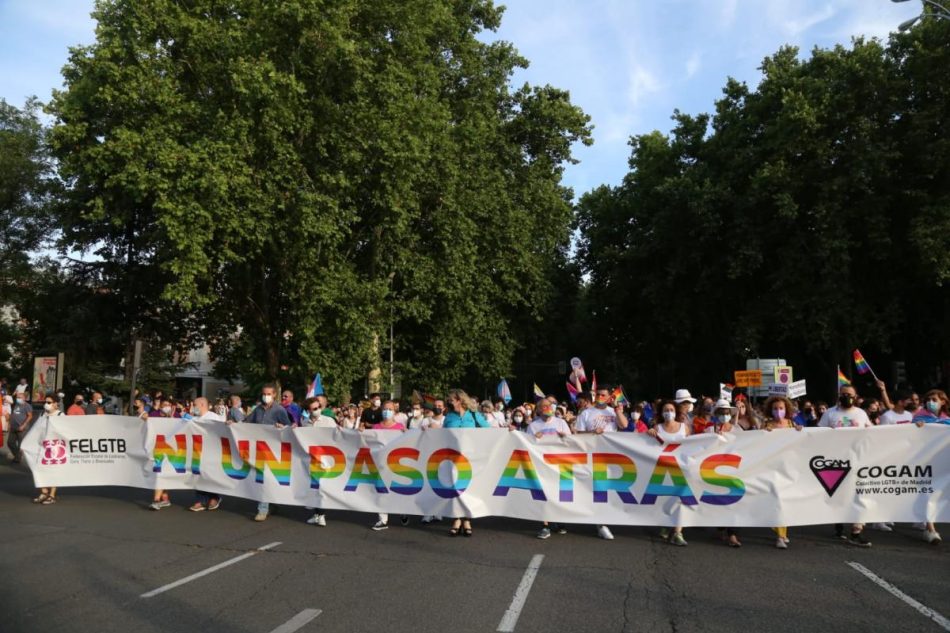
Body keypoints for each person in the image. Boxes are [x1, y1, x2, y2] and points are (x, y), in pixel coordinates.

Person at [818, 384, 873, 547]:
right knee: (840, 494)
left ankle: (857, 531)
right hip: (837, 461)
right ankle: (839, 523)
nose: (846, 396)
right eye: (843, 394)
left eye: (849, 394)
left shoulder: (861, 414)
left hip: (858, 460)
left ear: (855, 397)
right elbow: (820, 433)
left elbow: (872, 432)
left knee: (859, 493)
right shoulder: (830, 413)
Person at [574, 386, 628, 540]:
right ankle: (601, 523)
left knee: (609, 488)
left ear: (610, 397)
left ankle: (603, 519)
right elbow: (577, 434)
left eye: (603, 395)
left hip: (612, 455)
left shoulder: (613, 411)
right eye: (597, 394)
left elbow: (624, 426)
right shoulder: (586, 413)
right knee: (598, 487)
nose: (599, 396)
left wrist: (618, 411)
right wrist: (592, 433)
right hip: (593, 454)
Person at [443, 389, 489, 536]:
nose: (450, 402)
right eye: (449, 400)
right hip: (453, 458)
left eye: (452, 400)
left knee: (469, 489)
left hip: (472, 458)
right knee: (456, 488)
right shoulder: (449, 417)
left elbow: (490, 432)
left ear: (460, 400)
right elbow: (441, 436)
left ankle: (467, 520)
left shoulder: (475, 416)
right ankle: (457, 519)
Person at [647, 400, 689, 546]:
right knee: (665, 498)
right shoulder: (657, 427)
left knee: (682, 499)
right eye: (666, 410)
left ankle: (678, 532)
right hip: (662, 469)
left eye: (671, 409)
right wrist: (650, 433)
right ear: (661, 413)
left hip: (681, 469)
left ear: (676, 412)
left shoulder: (685, 428)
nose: (669, 412)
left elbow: (693, 445)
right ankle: (666, 523)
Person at [247, 384, 292, 521]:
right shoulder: (258, 410)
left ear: (274, 395)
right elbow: (246, 423)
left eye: (268, 394)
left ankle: (263, 509)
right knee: (263, 478)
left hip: (273, 450)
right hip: (259, 448)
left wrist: (282, 427)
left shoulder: (279, 410)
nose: (265, 396)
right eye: (264, 393)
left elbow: (289, 427)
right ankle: (270, 505)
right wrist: (233, 423)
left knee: (265, 478)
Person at [527, 399, 571, 539]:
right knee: (543, 493)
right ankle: (545, 525)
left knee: (558, 493)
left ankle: (558, 520)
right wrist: (534, 438)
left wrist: (565, 437)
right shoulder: (533, 426)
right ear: (538, 410)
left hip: (559, 463)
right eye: (543, 406)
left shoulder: (561, 423)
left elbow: (572, 442)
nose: (547, 408)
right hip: (542, 464)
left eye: (549, 405)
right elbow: (526, 445)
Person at [762, 395, 802, 549]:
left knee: (785, 501)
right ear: (770, 410)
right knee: (777, 499)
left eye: (781, 408)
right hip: (772, 469)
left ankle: (782, 531)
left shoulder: (792, 425)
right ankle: (780, 535)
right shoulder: (766, 425)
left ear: (787, 409)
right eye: (775, 409)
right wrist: (764, 432)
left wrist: (799, 431)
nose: (778, 411)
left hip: (788, 469)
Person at [705, 398, 741, 547]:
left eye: (727, 413)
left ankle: (732, 534)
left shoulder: (737, 429)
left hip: (732, 470)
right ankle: (721, 527)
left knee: (734, 500)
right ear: (716, 414)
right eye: (721, 413)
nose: (724, 415)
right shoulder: (709, 430)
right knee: (719, 500)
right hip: (713, 470)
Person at [369, 400, 408, 530]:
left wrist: (407, 434)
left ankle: (404, 511)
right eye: (385, 409)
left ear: (395, 412)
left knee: (398, 490)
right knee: (381, 490)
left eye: (390, 409)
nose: (387, 411)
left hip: (397, 464)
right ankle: (382, 519)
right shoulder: (376, 428)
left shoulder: (400, 428)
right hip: (380, 464)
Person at [303, 397, 337, 526]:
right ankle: (318, 514)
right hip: (312, 459)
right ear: (308, 410)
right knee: (315, 487)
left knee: (321, 487)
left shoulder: (329, 421)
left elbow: (338, 436)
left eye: (319, 407)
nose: (318, 410)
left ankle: (321, 514)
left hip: (327, 459)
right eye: (314, 409)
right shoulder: (305, 422)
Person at [188, 397, 226, 512]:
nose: (193, 407)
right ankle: (200, 500)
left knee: (210, 475)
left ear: (202, 405)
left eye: (195, 405)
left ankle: (214, 497)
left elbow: (222, 430)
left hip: (211, 451)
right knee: (198, 475)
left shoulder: (213, 417)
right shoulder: (194, 418)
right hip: (197, 451)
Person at [32, 396, 65, 504]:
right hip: (42, 446)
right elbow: (35, 430)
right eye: (45, 402)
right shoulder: (42, 414)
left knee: (53, 470)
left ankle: (52, 495)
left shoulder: (61, 415)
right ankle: (44, 492)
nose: (46, 404)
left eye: (49, 402)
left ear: (56, 404)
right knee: (39, 469)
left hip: (55, 447)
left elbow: (65, 431)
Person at [148, 398, 178, 510]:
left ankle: (158, 499)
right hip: (157, 448)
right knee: (159, 473)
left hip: (171, 449)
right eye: (165, 405)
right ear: (160, 406)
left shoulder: (176, 415)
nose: (168, 407)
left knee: (162, 473)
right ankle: (162, 499)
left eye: (169, 405)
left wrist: (172, 418)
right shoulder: (154, 415)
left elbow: (182, 427)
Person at [8, 391, 33, 464]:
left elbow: (30, 416)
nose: (17, 399)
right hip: (13, 427)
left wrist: (23, 425)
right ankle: (18, 456)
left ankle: (17, 459)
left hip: (22, 428)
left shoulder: (27, 406)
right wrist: (10, 424)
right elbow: (13, 414)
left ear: (24, 398)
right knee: (10, 442)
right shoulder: (16, 404)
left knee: (20, 444)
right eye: (17, 397)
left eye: (19, 397)